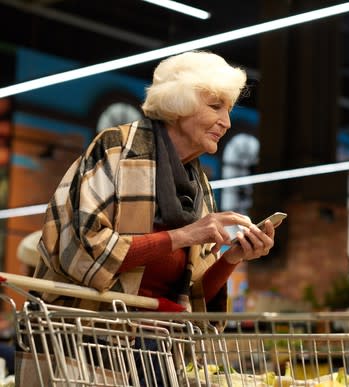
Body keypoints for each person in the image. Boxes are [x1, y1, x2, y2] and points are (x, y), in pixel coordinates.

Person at [18, 50, 277, 385]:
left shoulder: (199, 185)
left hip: (155, 351)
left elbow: (192, 296)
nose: (226, 122)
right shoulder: (116, 149)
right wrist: (185, 236)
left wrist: (233, 258)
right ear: (178, 102)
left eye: (228, 109)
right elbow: (82, 253)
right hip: (83, 345)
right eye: (215, 106)